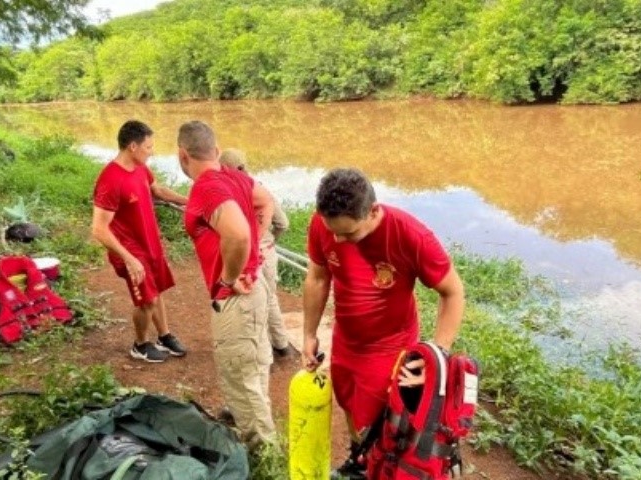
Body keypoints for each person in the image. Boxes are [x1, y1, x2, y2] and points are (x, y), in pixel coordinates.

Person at [302, 168, 465, 479]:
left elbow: (453, 292)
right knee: (349, 404)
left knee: (381, 422)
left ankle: (380, 467)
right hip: (346, 339)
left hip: (389, 345)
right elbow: (318, 278)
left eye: (348, 234)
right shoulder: (322, 223)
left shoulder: (410, 234)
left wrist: (437, 355)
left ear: (373, 211)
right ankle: (360, 460)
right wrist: (309, 333)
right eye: (332, 231)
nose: (337, 239)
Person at [177, 121, 276, 450]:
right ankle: (258, 430)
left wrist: (229, 278)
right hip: (256, 285)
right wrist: (257, 249)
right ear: (216, 151)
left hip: (237, 295)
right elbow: (265, 201)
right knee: (255, 366)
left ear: (182, 156)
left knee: (239, 377)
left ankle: (264, 456)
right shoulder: (235, 176)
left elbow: (236, 233)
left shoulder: (206, 187)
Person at [92, 120, 188, 363]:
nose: (151, 151)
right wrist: (129, 258)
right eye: (148, 147)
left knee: (157, 292)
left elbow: (158, 191)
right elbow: (99, 229)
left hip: (150, 242)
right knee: (147, 300)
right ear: (132, 146)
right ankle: (140, 344)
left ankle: (163, 336)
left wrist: (190, 202)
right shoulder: (110, 180)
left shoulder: (141, 168)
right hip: (128, 249)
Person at [219, 148, 293, 360]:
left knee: (247, 300)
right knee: (269, 299)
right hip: (264, 253)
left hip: (238, 254)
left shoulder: (224, 193)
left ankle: (260, 348)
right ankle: (280, 345)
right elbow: (283, 223)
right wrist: (269, 240)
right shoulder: (259, 190)